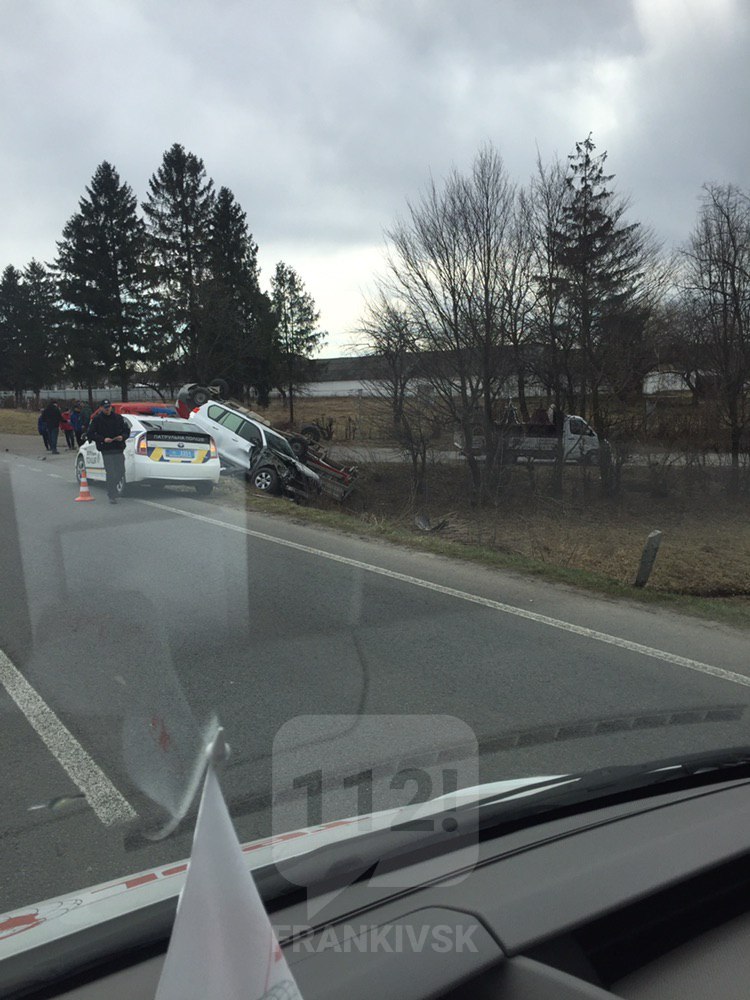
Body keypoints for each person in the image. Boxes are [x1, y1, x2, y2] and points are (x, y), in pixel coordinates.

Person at [87, 400, 129, 503]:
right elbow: (91, 434)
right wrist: (103, 439)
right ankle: (112, 495)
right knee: (110, 472)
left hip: (118, 448)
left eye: (109, 407)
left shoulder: (118, 418)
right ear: (101, 408)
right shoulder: (97, 419)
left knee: (120, 471)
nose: (107, 409)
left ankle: (112, 488)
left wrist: (122, 437)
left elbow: (126, 431)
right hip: (106, 450)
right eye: (105, 407)